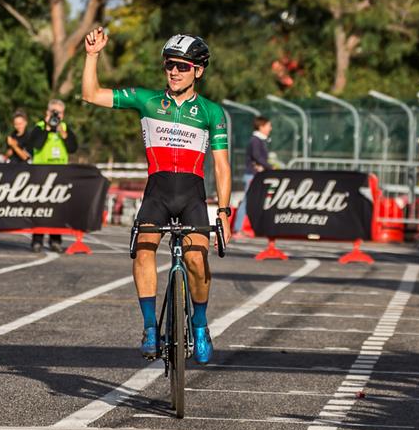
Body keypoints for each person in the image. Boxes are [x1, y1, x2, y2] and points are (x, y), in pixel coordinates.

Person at [81, 28, 232, 364]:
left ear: (198, 70)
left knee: (196, 260)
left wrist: (223, 211)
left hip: (192, 193)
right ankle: (151, 327)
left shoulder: (211, 112)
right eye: (169, 65)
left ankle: (201, 324)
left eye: (182, 66)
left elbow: (221, 167)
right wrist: (92, 55)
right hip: (158, 192)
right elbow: (91, 94)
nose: (174, 72)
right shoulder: (146, 100)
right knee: (143, 251)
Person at [27, 98, 80, 251]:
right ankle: (37, 240)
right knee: (40, 208)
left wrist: (63, 134)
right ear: (47, 113)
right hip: (41, 173)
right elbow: (35, 145)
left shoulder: (64, 128)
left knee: (58, 209)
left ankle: (55, 240)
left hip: (60, 173)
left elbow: (73, 148)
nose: (56, 115)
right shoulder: (39, 127)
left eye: (59, 113)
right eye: (53, 112)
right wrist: (48, 128)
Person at [232, 116, 272, 234]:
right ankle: (238, 229)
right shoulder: (255, 140)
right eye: (268, 125)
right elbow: (257, 157)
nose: (270, 128)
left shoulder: (260, 140)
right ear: (261, 126)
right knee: (247, 201)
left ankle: (258, 228)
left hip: (258, 175)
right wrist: (270, 167)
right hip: (252, 175)